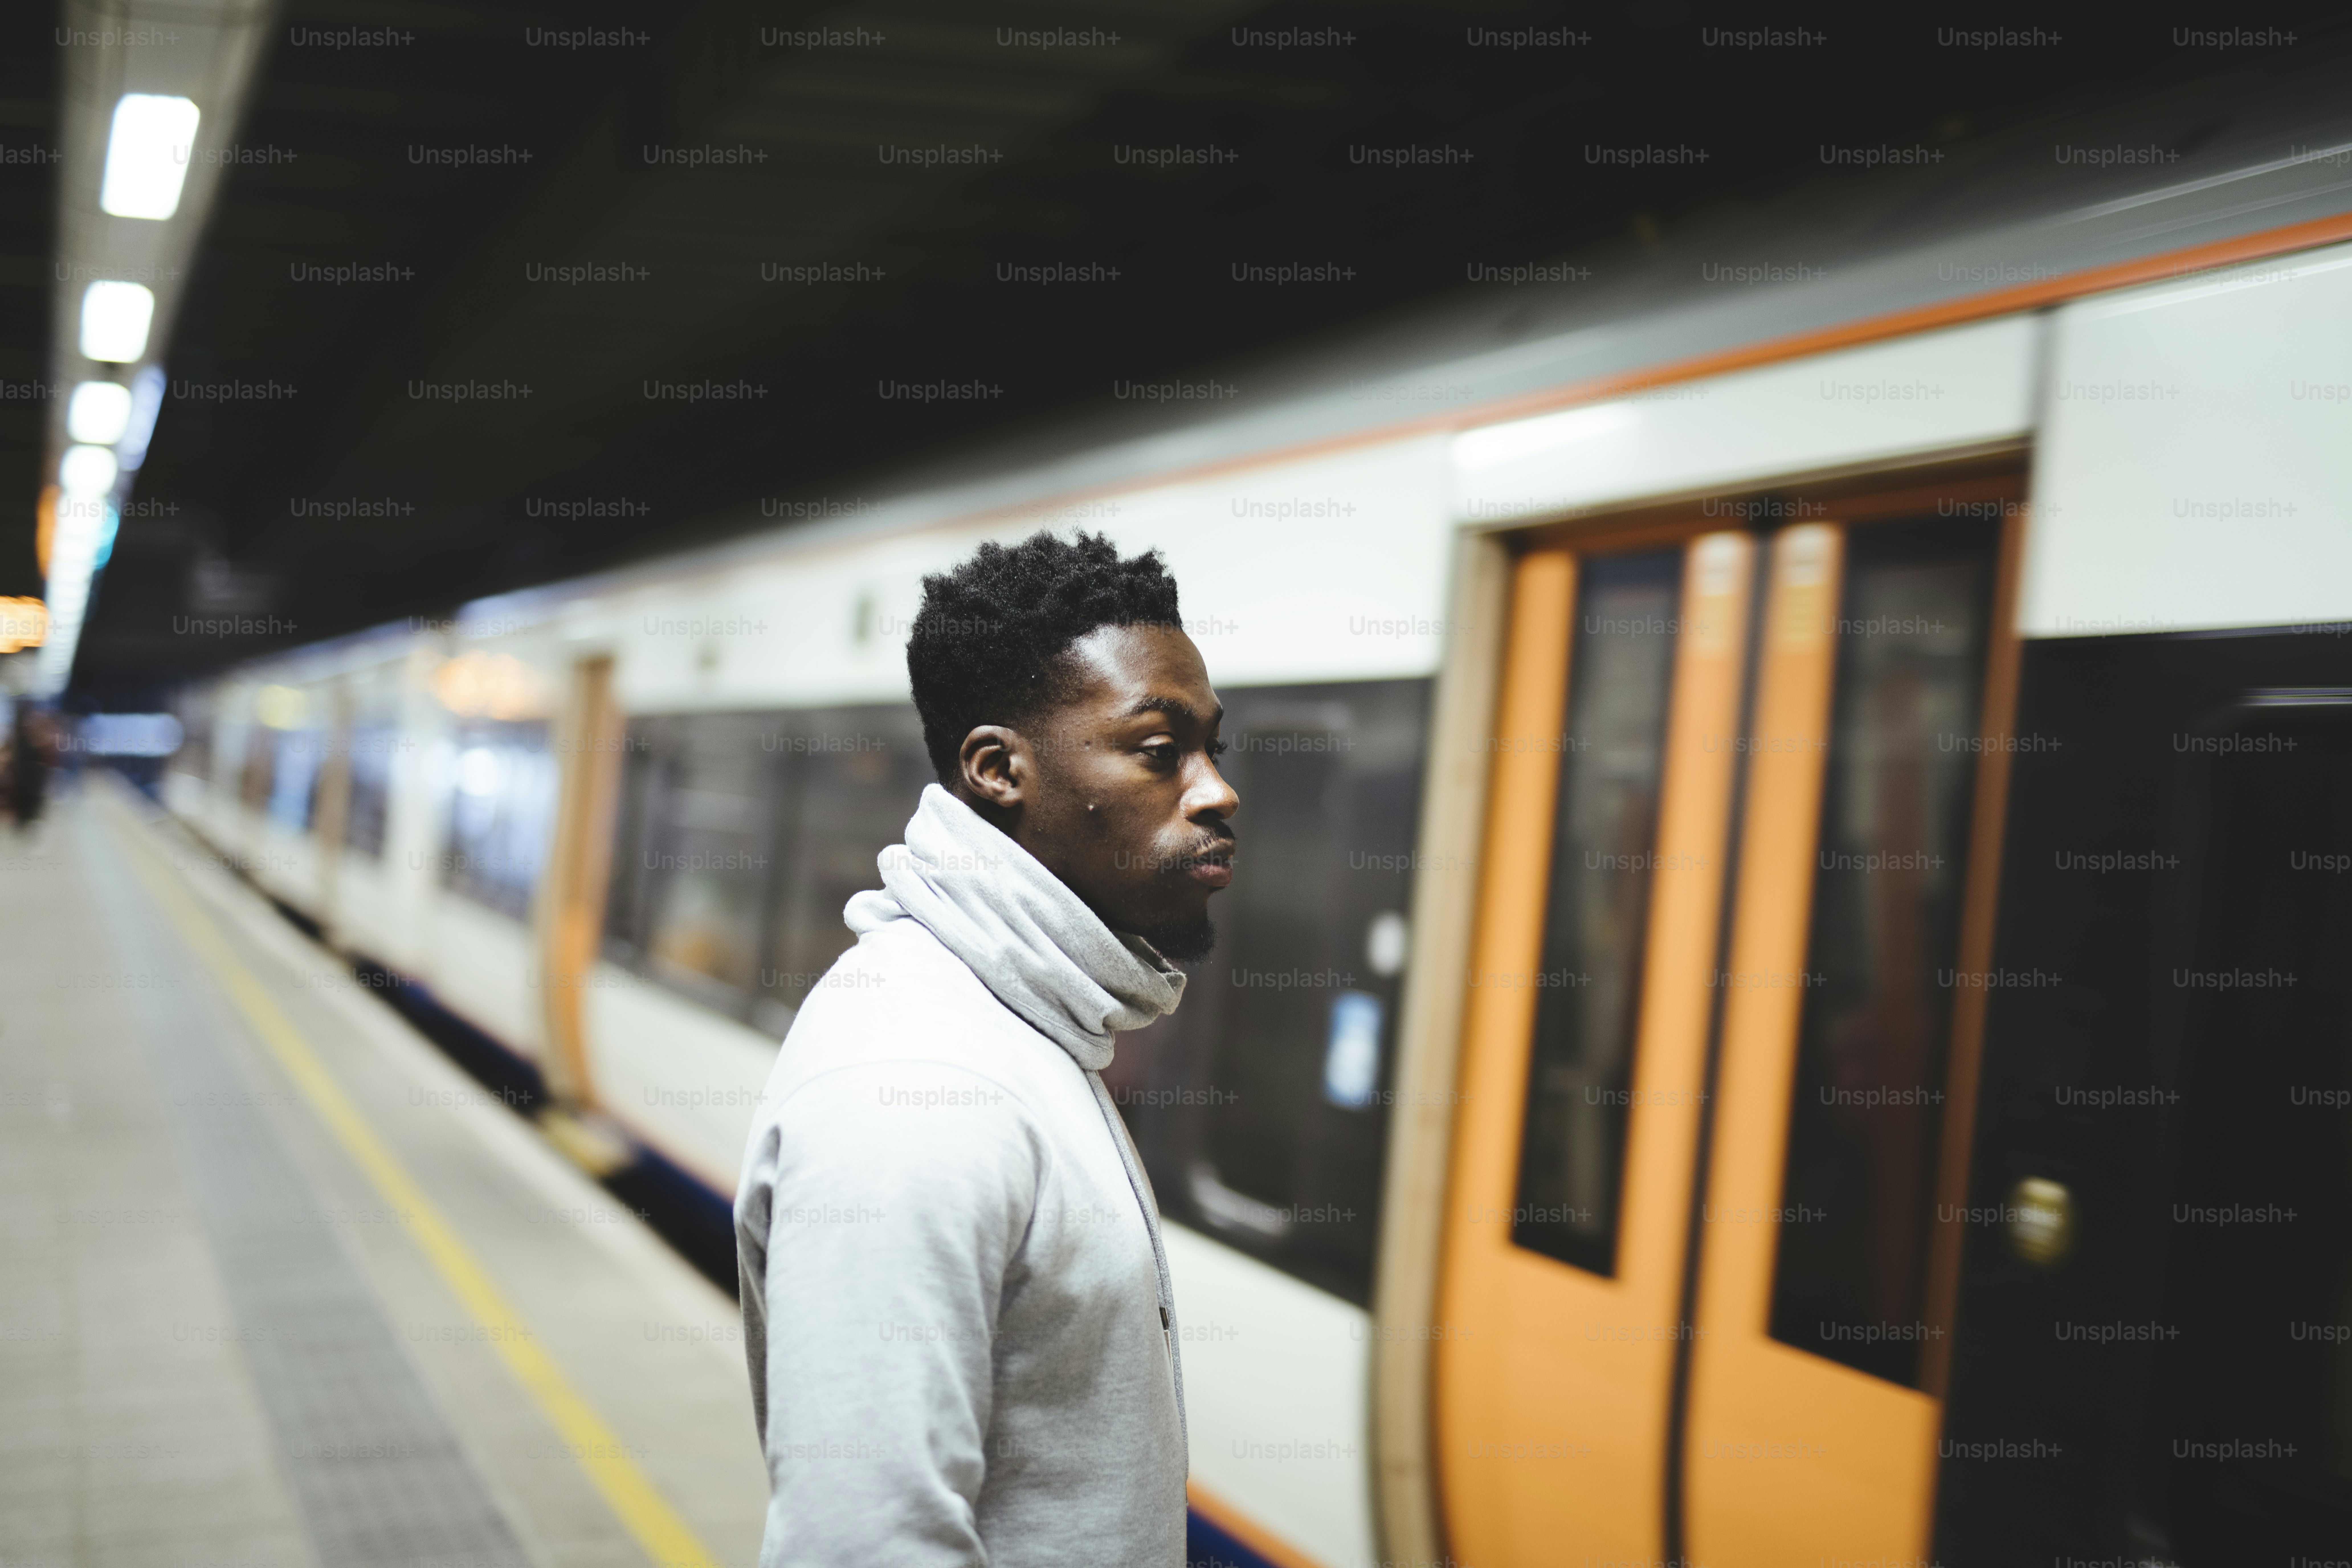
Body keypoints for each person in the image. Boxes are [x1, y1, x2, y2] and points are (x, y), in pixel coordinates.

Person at [733, 530, 1239, 1567]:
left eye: (1211, 750)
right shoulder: (915, 1084)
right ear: (998, 770)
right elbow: (864, 1543)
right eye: (1160, 751)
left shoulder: (1023, 1018)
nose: (1215, 790)